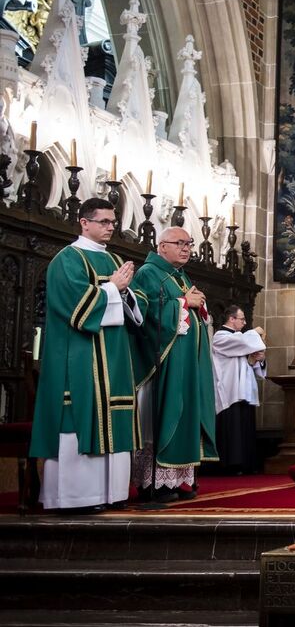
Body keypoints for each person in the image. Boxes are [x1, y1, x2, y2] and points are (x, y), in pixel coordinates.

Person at [29, 198, 142, 513]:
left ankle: (111, 493)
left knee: (112, 417)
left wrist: (127, 293)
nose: (110, 227)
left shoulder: (114, 258)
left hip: (113, 358)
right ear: (84, 222)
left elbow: (131, 308)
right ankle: (75, 497)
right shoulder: (67, 259)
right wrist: (112, 288)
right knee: (79, 417)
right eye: (104, 221)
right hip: (79, 357)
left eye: (112, 222)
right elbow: (74, 307)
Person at [130, 226, 218, 501]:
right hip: (164, 363)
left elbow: (188, 311)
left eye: (189, 243)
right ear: (161, 246)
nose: (186, 248)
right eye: (179, 243)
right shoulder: (148, 273)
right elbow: (145, 315)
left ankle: (178, 479)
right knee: (166, 416)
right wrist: (183, 302)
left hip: (185, 362)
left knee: (184, 415)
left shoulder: (178, 275)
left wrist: (196, 305)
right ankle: (155, 483)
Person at [211, 305, 266, 474]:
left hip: (244, 391)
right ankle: (230, 465)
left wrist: (259, 359)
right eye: (242, 319)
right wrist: (256, 333)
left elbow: (248, 361)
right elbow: (243, 342)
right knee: (232, 428)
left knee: (244, 426)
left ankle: (247, 463)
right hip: (229, 392)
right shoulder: (220, 337)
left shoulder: (241, 338)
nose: (245, 322)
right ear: (231, 319)